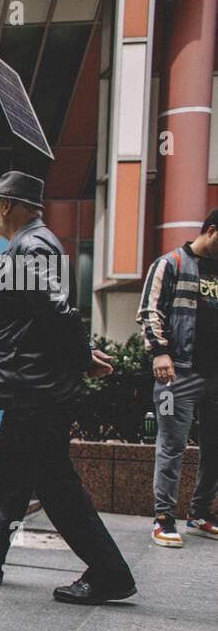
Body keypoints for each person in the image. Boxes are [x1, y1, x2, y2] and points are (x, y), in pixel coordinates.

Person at [0, 171, 136, 605]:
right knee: (8, 478)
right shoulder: (29, 244)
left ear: (7, 206)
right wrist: (81, 356)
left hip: (38, 393)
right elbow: (46, 316)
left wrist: (82, 357)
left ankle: (110, 573)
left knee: (56, 484)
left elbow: (54, 312)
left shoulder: (33, 245)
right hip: (33, 389)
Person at [137, 208, 218, 546]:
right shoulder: (171, 263)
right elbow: (149, 310)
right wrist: (159, 350)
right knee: (172, 445)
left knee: (215, 449)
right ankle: (163, 517)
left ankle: (200, 514)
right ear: (212, 231)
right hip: (177, 375)